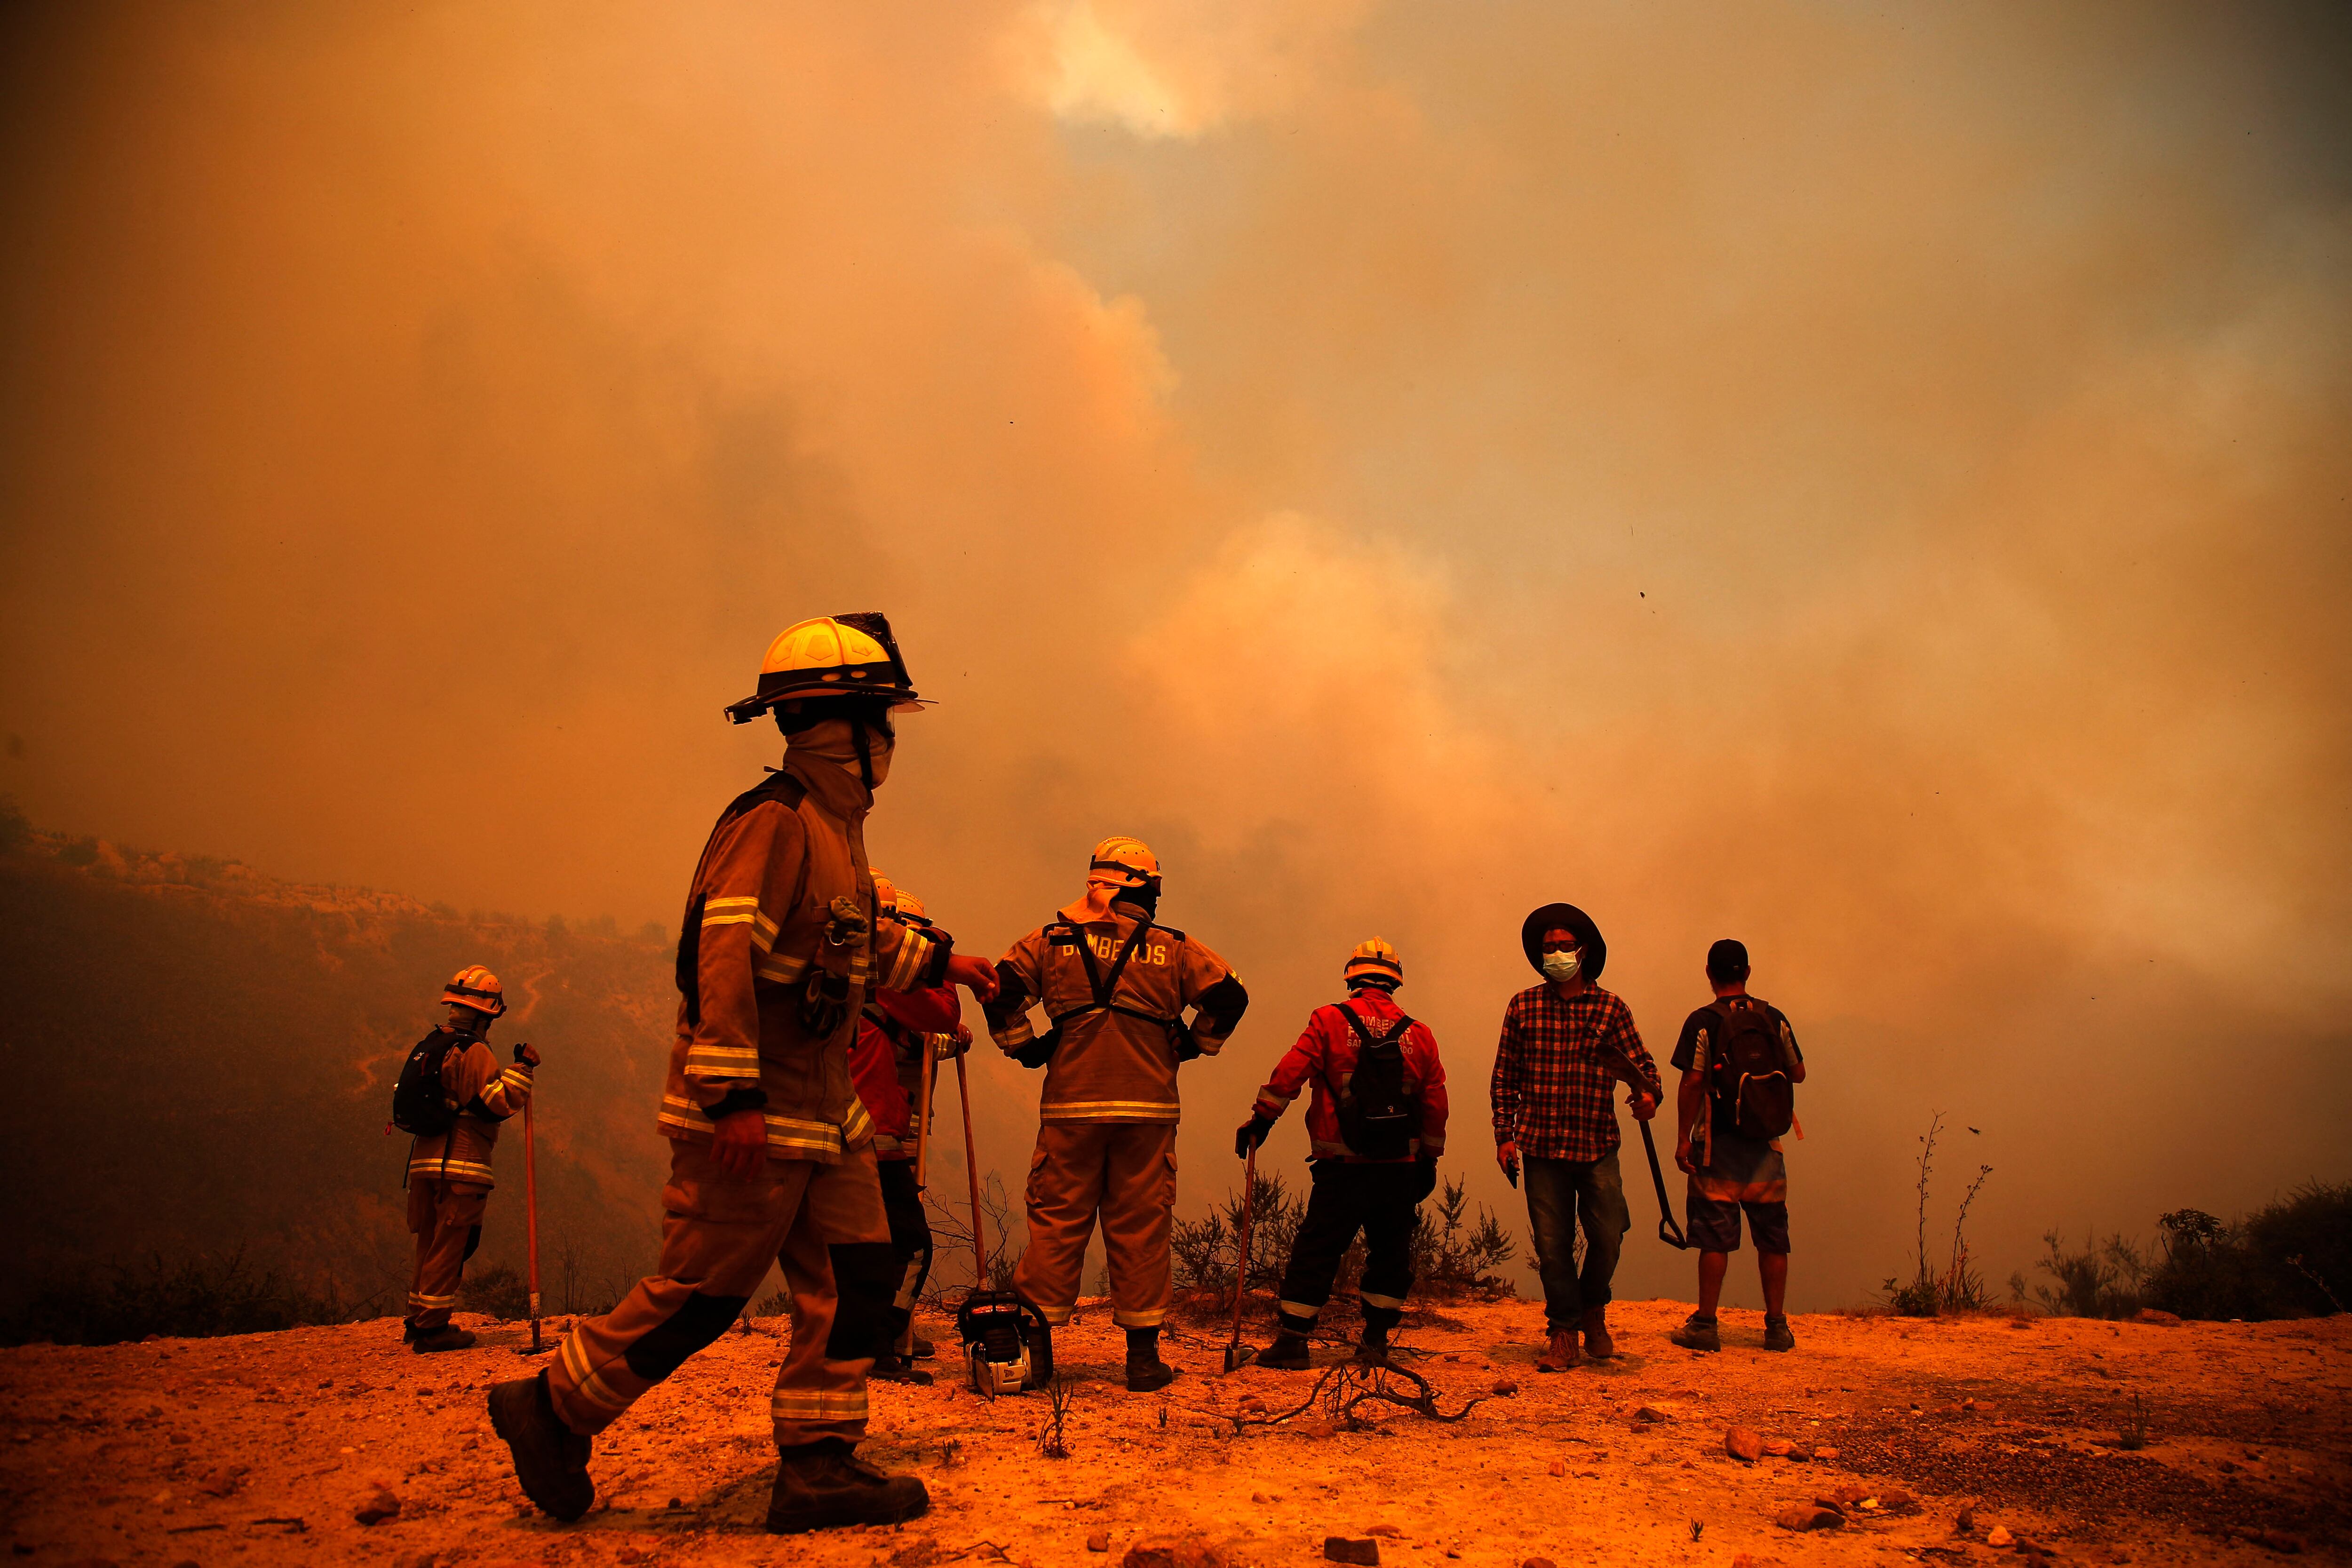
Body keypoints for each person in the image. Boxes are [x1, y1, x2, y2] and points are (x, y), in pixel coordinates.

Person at [487, 613, 1000, 1534]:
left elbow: (840, 945)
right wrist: (730, 1097)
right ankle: (553, 1406)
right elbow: (718, 955)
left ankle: (818, 1464)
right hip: (756, 1106)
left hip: (823, 1112)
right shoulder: (773, 821)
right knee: (703, 1292)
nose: (888, 740)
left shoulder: (837, 831)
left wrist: (942, 963)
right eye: (880, 717)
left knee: (858, 1276)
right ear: (836, 721)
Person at [984, 836, 1249, 1391]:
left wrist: (1025, 1046)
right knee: (1142, 1227)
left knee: (1055, 1223)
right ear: (1143, 888)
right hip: (1148, 1112)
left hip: (1070, 1110)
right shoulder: (1174, 948)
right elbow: (1229, 999)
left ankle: (1033, 1358)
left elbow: (997, 988)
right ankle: (1143, 1360)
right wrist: (1193, 1043)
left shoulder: (1050, 941)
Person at [1237, 938, 1448, 1370]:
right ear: (1395, 981)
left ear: (1351, 976)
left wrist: (1261, 1119)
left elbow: (1292, 1071)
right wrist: (1429, 1158)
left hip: (1342, 1166)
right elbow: (1436, 1102)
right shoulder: (1420, 1035)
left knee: (1318, 1247)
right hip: (1399, 1167)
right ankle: (1374, 1342)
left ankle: (1294, 1341)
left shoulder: (1330, 1020)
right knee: (1391, 1252)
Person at [1490, 903, 1662, 1372]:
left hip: (1595, 1144)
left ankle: (1593, 1307)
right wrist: (1503, 1137)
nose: (1556, 954)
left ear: (1583, 952)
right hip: (1541, 1145)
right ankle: (1564, 1332)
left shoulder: (1610, 1009)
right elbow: (1505, 1077)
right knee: (1552, 1246)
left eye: (1564, 946)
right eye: (1548, 948)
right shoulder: (1522, 1006)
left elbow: (1644, 1073)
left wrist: (1648, 1098)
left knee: (1608, 1234)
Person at [850, 876, 970, 1382]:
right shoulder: (885, 978)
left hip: (867, 1126)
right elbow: (937, 1015)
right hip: (874, 1133)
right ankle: (878, 1345)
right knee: (907, 1243)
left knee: (853, 1246)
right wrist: (936, 963)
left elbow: (916, 1037)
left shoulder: (841, 977)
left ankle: (867, 1342)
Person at [1668, 939, 1806, 1353]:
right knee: (1772, 1236)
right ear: (1747, 972)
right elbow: (1798, 1073)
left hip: (1718, 1143)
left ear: (1709, 973)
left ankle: (1707, 1323)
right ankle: (1777, 1327)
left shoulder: (1703, 1021)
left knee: (1714, 1238)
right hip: (1766, 1143)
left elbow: (1692, 1081)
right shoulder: (1772, 1017)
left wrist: (1682, 1140)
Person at [400, 965, 538, 1353]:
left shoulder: (436, 1043)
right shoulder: (473, 1050)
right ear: (486, 1013)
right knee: (452, 1244)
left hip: (425, 1162)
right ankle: (433, 1329)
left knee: (429, 1241)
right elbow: (494, 1103)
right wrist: (523, 1070)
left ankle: (418, 1317)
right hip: (461, 1165)